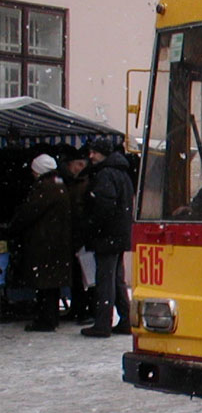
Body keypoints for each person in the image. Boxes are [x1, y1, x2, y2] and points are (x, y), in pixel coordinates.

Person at [6, 154, 72, 332]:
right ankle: (50, 318)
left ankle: (46, 320)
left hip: (45, 243)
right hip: (56, 242)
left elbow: (29, 212)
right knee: (51, 285)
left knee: (45, 285)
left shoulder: (45, 188)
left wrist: (10, 228)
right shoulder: (59, 185)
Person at [81, 137, 134, 338]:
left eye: (94, 152)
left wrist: (91, 225)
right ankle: (126, 320)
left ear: (103, 153)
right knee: (116, 279)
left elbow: (103, 207)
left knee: (105, 279)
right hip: (119, 234)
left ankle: (103, 323)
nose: (91, 156)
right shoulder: (122, 173)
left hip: (107, 235)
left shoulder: (105, 175)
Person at [60, 147, 95, 324]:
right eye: (77, 164)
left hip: (81, 236)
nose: (78, 168)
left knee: (84, 277)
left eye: (82, 164)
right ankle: (79, 309)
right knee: (80, 276)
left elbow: (80, 212)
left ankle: (83, 310)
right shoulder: (77, 183)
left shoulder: (82, 183)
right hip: (78, 236)